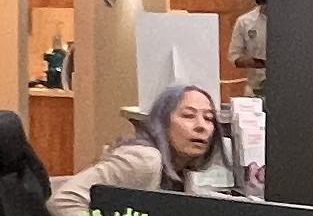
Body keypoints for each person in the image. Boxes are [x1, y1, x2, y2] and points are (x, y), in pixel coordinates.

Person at [68, 81, 243, 205]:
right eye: (188, 115)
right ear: (162, 123)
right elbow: (67, 198)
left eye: (209, 118)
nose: (201, 126)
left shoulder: (181, 170)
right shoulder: (144, 159)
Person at [226, 0, 268, 93]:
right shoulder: (245, 22)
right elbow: (234, 57)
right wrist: (258, 62)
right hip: (255, 89)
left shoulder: (293, 23)